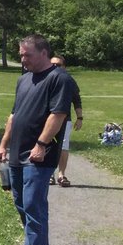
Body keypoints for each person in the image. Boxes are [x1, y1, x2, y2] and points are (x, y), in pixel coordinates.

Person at [0, 35, 73, 245]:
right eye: (21, 54)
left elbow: (57, 115)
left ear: (43, 53)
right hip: (17, 153)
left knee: (34, 206)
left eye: (27, 54)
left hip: (40, 156)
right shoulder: (23, 80)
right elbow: (14, 115)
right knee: (21, 204)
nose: (22, 59)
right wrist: (3, 144)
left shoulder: (59, 79)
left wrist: (41, 144)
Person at [50, 56, 83, 187]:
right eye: (52, 64)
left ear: (64, 67)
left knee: (63, 146)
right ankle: (49, 175)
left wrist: (79, 118)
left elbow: (77, 100)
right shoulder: (45, 78)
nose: (55, 67)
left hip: (65, 119)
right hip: (46, 119)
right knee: (47, 145)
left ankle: (61, 175)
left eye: (58, 65)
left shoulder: (69, 81)